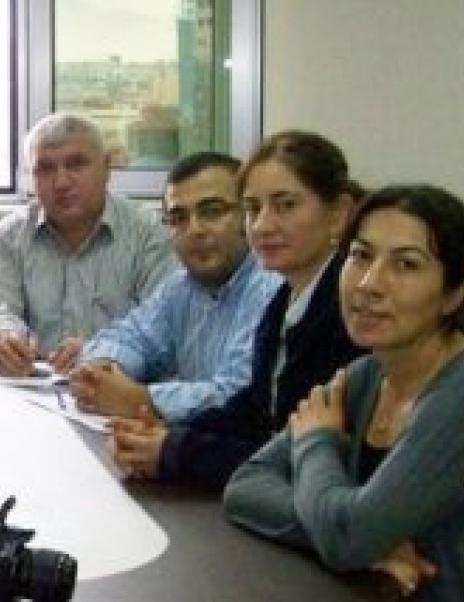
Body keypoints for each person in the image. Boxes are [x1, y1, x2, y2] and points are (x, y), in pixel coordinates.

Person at [224, 184, 464, 602]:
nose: (370, 283)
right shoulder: (365, 376)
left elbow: (349, 533)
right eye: (360, 256)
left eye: (406, 265)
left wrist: (317, 444)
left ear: (453, 294)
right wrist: (360, 542)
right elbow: (245, 487)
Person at [107, 130, 364, 488]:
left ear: (338, 214)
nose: (263, 225)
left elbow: (288, 454)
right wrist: (167, 434)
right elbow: (255, 408)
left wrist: (176, 451)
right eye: (253, 209)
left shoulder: (349, 312)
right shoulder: (285, 301)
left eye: (285, 205)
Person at [70, 151, 281, 422]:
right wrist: (102, 369)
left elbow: (241, 394)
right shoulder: (181, 287)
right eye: (179, 218)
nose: (195, 230)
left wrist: (141, 400)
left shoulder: (271, 287)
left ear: (248, 215)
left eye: (212, 212)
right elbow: (129, 336)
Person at [0, 112, 175, 377]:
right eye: (45, 169)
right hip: (30, 384)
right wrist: (3, 338)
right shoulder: (10, 235)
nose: (61, 183)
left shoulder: (146, 231)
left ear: (107, 168)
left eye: (76, 164)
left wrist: (103, 351)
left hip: (117, 384)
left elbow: (163, 323)